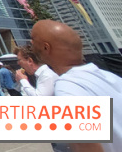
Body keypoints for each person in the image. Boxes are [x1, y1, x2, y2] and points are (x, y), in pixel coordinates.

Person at [32, 19, 122, 152]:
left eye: (33, 39)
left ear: (46, 48)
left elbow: (86, 147)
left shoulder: (67, 88)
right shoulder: (110, 77)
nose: (31, 43)